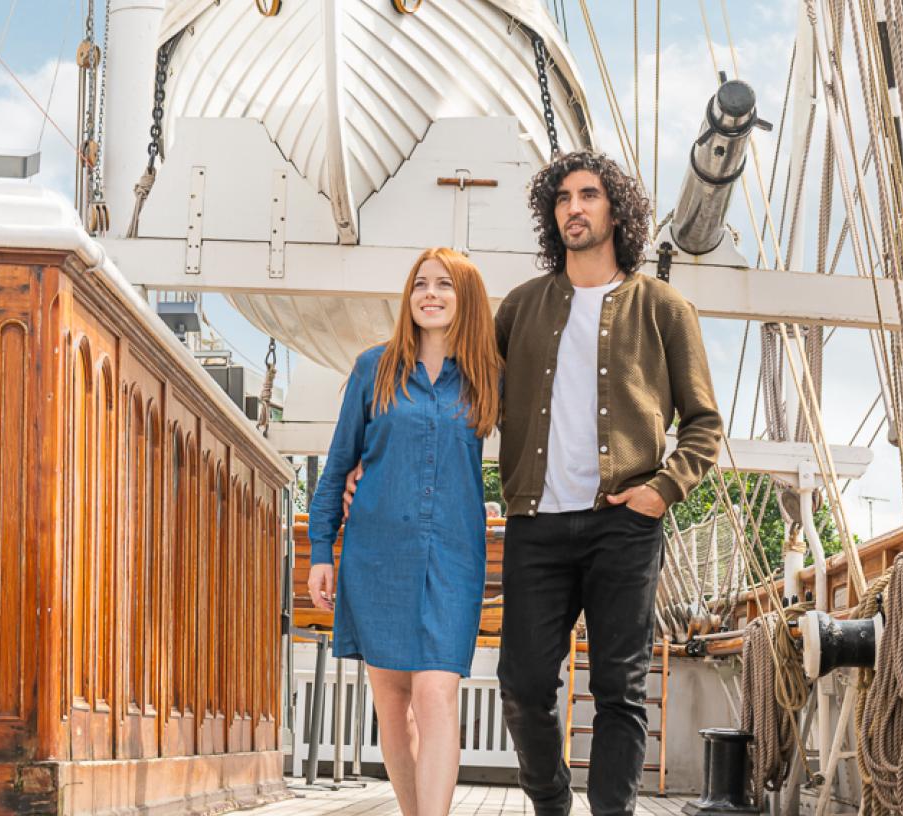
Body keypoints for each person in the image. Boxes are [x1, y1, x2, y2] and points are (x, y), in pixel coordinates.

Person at [492, 150, 722, 816]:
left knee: (619, 689)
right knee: (524, 683)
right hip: (536, 522)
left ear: (615, 209)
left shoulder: (664, 307)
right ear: (551, 214)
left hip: (624, 522)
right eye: (562, 198)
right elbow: (469, 395)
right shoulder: (522, 307)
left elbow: (704, 425)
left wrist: (661, 490)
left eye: (588, 195)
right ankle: (552, 802)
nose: (574, 207)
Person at [306, 247, 502, 816]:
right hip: (377, 554)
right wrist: (322, 549)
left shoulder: (488, 376)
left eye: (445, 285)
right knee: (392, 702)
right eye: (421, 284)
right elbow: (340, 463)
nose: (431, 295)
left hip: (454, 557)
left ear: (466, 300)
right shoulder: (374, 367)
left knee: (437, 691)